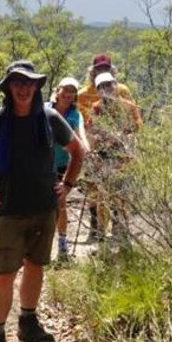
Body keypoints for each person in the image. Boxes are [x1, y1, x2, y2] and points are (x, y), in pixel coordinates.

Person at [0, 60, 85, 342]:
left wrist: (66, 185)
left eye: (29, 83)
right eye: (17, 82)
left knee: (36, 266)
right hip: (8, 211)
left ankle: (28, 321)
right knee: (3, 274)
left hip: (44, 208)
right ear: (8, 87)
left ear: (37, 86)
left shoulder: (50, 118)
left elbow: (78, 150)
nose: (24, 88)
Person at [76, 54, 135, 240]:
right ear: (92, 72)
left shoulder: (123, 92)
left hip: (120, 150)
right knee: (95, 190)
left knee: (119, 190)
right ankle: (97, 229)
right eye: (99, 69)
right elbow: (84, 123)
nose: (106, 87)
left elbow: (135, 124)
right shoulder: (84, 96)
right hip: (95, 149)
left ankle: (119, 228)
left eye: (106, 69)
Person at [86, 72, 142, 241]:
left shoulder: (129, 106)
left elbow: (138, 127)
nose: (107, 88)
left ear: (115, 85)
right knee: (103, 193)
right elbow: (91, 130)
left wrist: (123, 136)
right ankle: (101, 230)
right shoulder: (96, 108)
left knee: (121, 193)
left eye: (109, 84)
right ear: (98, 89)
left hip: (124, 155)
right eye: (102, 86)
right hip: (103, 155)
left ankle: (120, 228)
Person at [50, 76, 89, 261]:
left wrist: (85, 147)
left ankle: (62, 243)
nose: (68, 94)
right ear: (57, 91)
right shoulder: (45, 110)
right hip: (43, 164)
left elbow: (81, 133)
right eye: (65, 90)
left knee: (60, 202)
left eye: (72, 91)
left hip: (64, 164)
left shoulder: (75, 114)